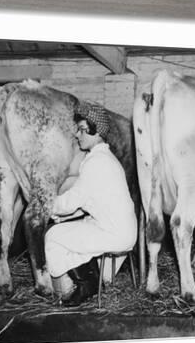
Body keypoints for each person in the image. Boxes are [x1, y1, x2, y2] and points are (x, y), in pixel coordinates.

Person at [44, 103, 137, 307]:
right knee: (68, 230)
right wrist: (60, 216)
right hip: (118, 229)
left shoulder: (97, 163)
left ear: (97, 132)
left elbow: (72, 201)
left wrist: (47, 204)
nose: (78, 135)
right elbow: (85, 203)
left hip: (114, 234)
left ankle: (86, 284)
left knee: (52, 237)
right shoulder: (104, 158)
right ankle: (92, 279)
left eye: (83, 130)